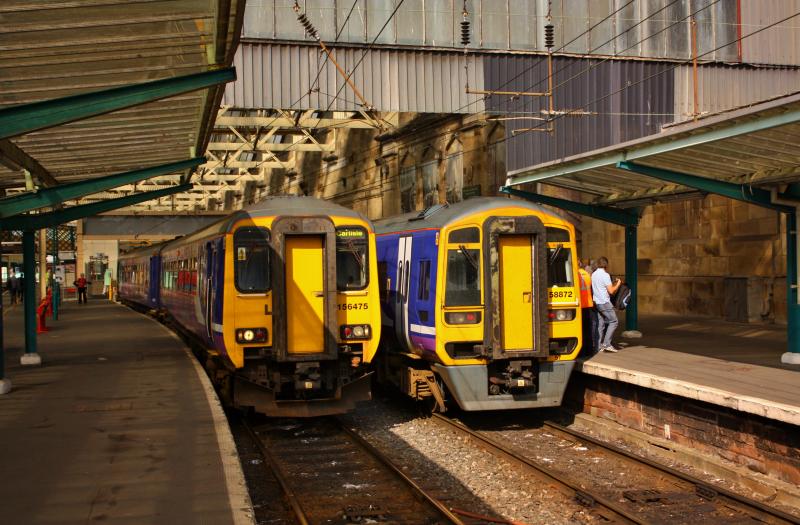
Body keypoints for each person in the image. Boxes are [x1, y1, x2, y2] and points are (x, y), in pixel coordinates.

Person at [591, 256, 622, 353]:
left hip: (596, 302)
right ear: (606, 265)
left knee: (600, 324)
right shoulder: (605, 275)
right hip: (604, 302)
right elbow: (611, 291)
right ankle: (607, 344)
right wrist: (618, 283)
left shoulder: (594, 274)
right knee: (614, 321)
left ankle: (598, 346)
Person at [577, 264, 596, 356]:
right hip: (588, 304)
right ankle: (589, 350)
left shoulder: (575, 274)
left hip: (579, 306)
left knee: (580, 330)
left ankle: (581, 351)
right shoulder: (587, 274)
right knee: (588, 329)